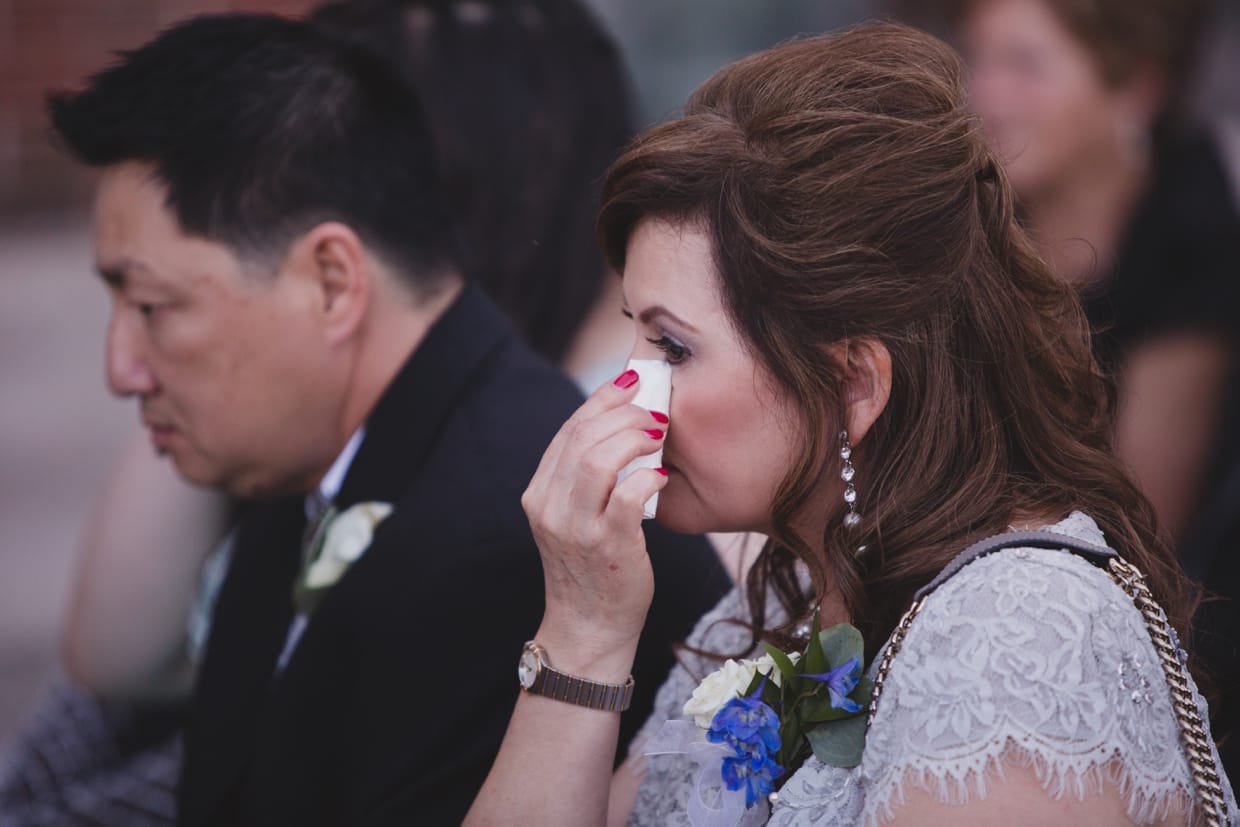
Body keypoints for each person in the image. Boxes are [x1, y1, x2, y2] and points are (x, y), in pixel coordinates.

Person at [463, 22, 1237, 826]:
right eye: (632, 329)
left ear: (852, 383)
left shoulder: (1013, 641)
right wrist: (584, 634)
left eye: (674, 346)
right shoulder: (788, 597)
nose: (629, 396)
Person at [39, 12, 727, 826]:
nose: (122, 368)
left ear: (333, 281)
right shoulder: (305, 453)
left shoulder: (503, 543)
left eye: (152, 305)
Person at [956, 0, 1240, 779]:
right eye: (980, 62)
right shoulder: (977, 216)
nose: (988, 94)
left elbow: (1141, 520)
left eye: (1025, 66)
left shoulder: (1190, 230)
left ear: (1134, 88)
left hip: (1114, 628)